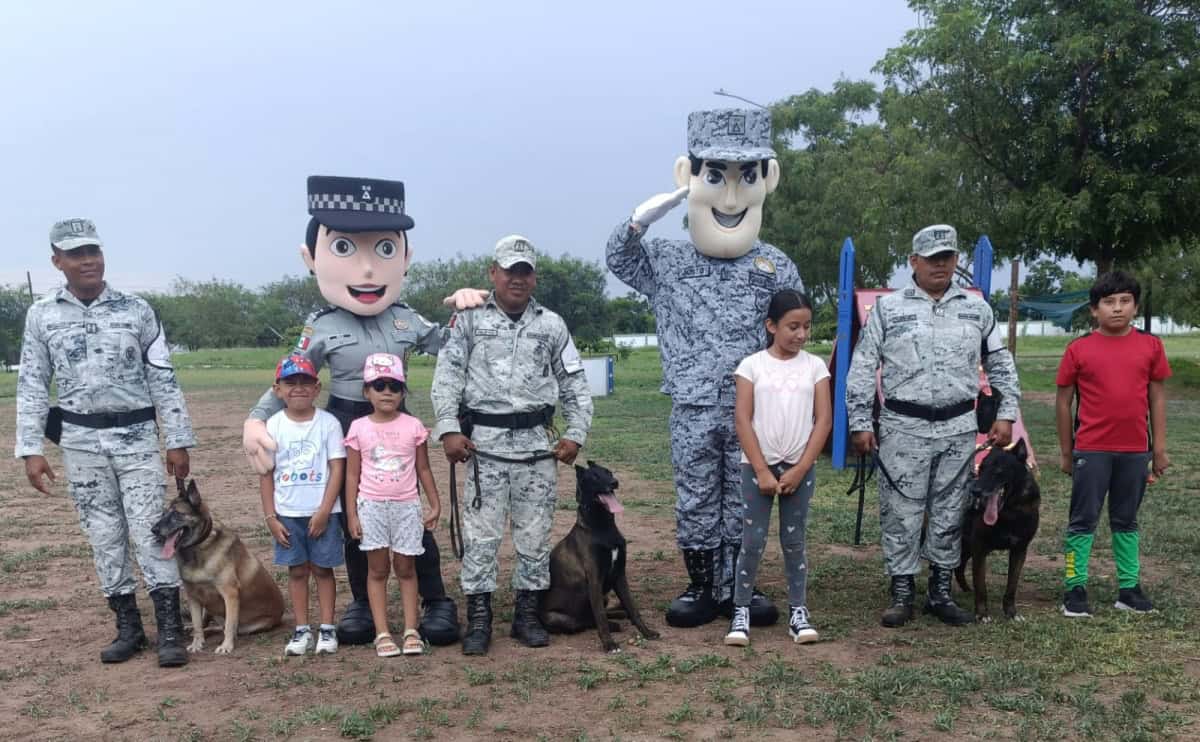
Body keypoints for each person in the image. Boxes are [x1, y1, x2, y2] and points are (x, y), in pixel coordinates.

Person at [242, 176, 475, 647]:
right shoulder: (322, 325)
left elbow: (450, 345)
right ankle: (361, 607)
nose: (367, 269)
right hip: (346, 423)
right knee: (354, 516)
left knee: (409, 507)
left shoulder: (405, 318)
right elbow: (292, 378)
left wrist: (465, 311)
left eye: (384, 251)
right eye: (346, 248)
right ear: (314, 260)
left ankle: (435, 599)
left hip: (399, 422)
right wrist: (254, 418)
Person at [607, 109, 803, 629]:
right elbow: (619, 260)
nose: (731, 195)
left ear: (767, 178)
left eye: (746, 175)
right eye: (716, 175)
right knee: (696, 496)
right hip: (693, 403)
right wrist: (639, 221)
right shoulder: (668, 259)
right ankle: (700, 586)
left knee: (746, 494)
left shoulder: (775, 266)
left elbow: (792, 332)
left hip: (752, 405)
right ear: (690, 175)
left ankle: (739, 586)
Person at [16, 218, 195, 667]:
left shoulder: (137, 309)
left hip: (136, 439)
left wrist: (176, 440)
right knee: (104, 535)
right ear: (58, 261)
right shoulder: (42, 315)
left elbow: (163, 378)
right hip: (79, 442)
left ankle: (170, 629)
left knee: (153, 529)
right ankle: (128, 628)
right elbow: (34, 384)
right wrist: (31, 448)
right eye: (76, 254)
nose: (88, 260)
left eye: (93, 251)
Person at [845, 224, 1021, 628]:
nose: (941, 265)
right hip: (903, 424)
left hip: (958, 425)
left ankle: (940, 591)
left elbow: (999, 364)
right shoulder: (889, 309)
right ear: (914, 262)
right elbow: (862, 367)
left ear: (956, 260)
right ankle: (902, 590)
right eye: (932, 258)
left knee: (950, 510)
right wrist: (859, 421)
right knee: (900, 511)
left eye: (948, 257)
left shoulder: (977, 309)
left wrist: (1006, 412)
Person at [431, 235, 593, 656]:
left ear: (533, 276)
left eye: (525, 271)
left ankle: (526, 614)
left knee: (534, 535)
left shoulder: (552, 325)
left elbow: (574, 381)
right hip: (483, 447)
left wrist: (576, 432)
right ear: (493, 273)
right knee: (482, 537)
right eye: (510, 270)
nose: (517, 279)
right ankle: (480, 618)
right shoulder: (467, 321)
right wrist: (448, 429)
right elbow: (446, 379)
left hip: (538, 448)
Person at [1055, 271, 1170, 618]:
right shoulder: (1079, 349)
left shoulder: (1151, 346)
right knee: (1082, 521)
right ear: (1094, 310)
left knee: (1126, 521)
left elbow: (1157, 399)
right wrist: (1066, 452)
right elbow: (1063, 403)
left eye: (1124, 301)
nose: (1117, 309)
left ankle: (1129, 589)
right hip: (1091, 450)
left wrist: (1159, 449)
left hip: (1135, 452)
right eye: (1108, 302)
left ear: (1135, 306)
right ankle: (1074, 588)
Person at [725, 290, 831, 647]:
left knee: (794, 540)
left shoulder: (815, 367)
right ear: (771, 326)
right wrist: (762, 470)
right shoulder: (751, 366)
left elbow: (824, 421)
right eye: (792, 327)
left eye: (806, 327)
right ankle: (740, 611)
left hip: (799, 468)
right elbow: (742, 419)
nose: (801, 335)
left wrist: (801, 468)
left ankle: (798, 612)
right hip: (757, 468)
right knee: (752, 541)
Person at [344, 353, 442, 656]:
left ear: (403, 392)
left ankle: (412, 630)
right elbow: (351, 474)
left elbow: (423, 469)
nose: (387, 392)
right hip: (371, 506)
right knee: (377, 570)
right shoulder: (358, 427)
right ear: (366, 391)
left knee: (406, 567)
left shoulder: (413, 426)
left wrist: (434, 503)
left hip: (406, 506)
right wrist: (352, 514)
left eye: (395, 386)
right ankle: (382, 632)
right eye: (379, 385)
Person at [259, 355, 347, 656]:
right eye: (290, 383)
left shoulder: (328, 424)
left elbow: (337, 468)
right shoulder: (272, 425)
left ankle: (326, 628)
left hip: (323, 513)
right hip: (288, 513)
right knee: (297, 571)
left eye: (305, 382)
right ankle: (301, 630)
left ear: (317, 387)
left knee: (323, 570)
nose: (298, 388)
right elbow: (266, 474)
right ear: (278, 389)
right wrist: (271, 516)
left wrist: (324, 510)